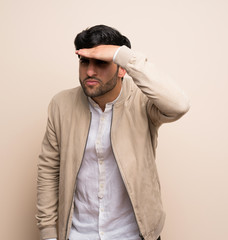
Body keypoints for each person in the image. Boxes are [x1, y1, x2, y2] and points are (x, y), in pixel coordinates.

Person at [36, 25, 190, 240]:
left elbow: (179, 105)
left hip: (134, 234)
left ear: (122, 68)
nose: (90, 71)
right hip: (78, 234)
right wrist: (49, 234)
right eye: (84, 62)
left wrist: (121, 55)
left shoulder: (142, 101)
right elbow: (49, 170)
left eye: (101, 62)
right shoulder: (61, 104)